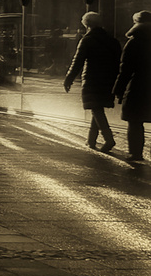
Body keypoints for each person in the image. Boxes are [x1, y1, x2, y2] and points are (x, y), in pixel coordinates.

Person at [64, 12, 120, 152]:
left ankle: (109, 139)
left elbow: (78, 61)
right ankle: (91, 140)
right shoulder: (112, 40)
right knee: (97, 107)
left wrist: (69, 78)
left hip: (92, 79)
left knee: (96, 108)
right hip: (109, 79)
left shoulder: (87, 40)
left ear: (86, 24)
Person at [113, 10, 150, 162]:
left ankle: (136, 153)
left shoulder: (134, 42)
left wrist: (118, 89)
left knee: (135, 121)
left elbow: (126, 69)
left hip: (139, 87)